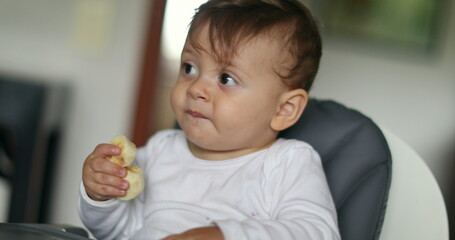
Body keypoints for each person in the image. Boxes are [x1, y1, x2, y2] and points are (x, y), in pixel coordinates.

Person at [78, 0, 340, 239]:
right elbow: (119, 232)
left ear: (284, 110)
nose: (195, 89)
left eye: (226, 79)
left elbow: (316, 233)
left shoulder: (287, 165)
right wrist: (101, 197)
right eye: (189, 68)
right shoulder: (160, 150)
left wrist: (224, 235)